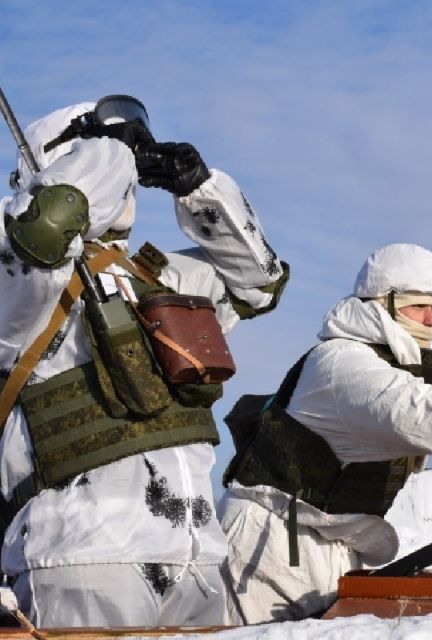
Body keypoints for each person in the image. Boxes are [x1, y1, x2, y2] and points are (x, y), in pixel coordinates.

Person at [0, 96, 288, 627]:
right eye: (99, 144)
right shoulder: (18, 275)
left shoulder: (159, 278)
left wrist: (200, 188)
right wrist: (110, 150)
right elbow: (44, 231)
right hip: (83, 557)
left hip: (199, 562)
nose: (125, 160)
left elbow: (260, 285)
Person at [218, 242, 432, 624]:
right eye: (419, 306)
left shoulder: (411, 367)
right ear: (385, 303)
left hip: (333, 538)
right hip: (274, 538)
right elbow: (426, 412)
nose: (430, 320)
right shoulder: (340, 364)